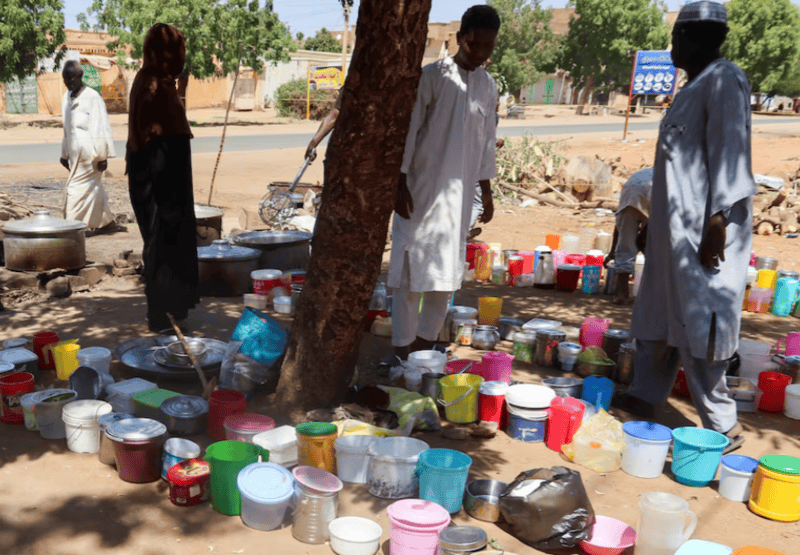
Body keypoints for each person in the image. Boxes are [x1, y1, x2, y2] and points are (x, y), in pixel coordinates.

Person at [612, 1, 755, 454]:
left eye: (678, 37)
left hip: (704, 234)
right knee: (655, 318)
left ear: (699, 39)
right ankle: (644, 395)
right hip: (672, 234)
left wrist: (718, 219)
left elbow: (731, 153)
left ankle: (722, 425)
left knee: (700, 326)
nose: (672, 45)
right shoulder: (692, 88)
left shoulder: (723, 80)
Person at [389, 5, 500, 359]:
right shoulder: (432, 77)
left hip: (460, 198)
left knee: (444, 277)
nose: (480, 53)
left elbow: (487, 143)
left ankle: (424, 350)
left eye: (487, 47)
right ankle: (401, 350)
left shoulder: (488, 86)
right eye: (473, 45)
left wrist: (486, 190)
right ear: (458, 38)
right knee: (409, 275)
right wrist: (399, 180)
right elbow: (408, 132)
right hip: (419, 192)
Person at [126, 24, 199, 333]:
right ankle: (164, 316)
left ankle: (170, 311)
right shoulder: (157, 89)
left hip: (151, 181)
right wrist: (169, 204)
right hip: (163, 185)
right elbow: (162, 144)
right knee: (164, 247)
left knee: (160, 247)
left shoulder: (148, 81)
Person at [60, 60, 116, 232]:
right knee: (93, 189)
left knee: (75, 191)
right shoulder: (66, 98)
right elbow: (66, 128)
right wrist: (64, 154)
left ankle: (73, 226)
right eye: (65, 78)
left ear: (80, 76)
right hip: (75, 158)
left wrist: (102, 156)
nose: (68, 82)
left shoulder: (92, 97)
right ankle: (106, 222)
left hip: (90, 157)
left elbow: (100, 128)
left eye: (71, 78)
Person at [605, 167, 653, 305]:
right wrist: (642, 240)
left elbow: (620, 228)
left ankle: (621, 294)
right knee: (654, 248)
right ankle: (651, 295)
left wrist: (616, 250)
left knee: (626, 247)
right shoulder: (668, 176)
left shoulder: (644, 174)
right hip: (651, 192)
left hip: (630, 190)